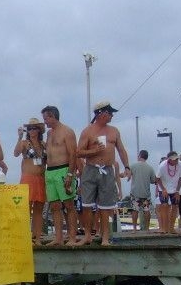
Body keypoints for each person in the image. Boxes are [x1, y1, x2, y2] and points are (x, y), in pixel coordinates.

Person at [74, 101, 131, 246]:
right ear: (101, 113)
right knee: (87, 205)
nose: (112, 115)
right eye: (110, 113)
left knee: (106, 207)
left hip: (107, 170)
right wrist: (94, 151)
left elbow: (121, 150)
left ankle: (105, 237)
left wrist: (127, 167)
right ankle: (87, 235)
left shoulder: (114, 131)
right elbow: (79, 152)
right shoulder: (88, 131)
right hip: (91, 169)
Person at [41, 105, 79, 246]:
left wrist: (70, 174)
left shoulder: (67, 132)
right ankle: (58, 237)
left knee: (69, 205)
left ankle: (73, 237)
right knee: (55, 206)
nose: (45, 121)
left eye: (46, 118)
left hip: (63, 170)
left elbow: (73, 154)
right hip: (50, 171)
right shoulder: (49, 134)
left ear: (52, 116)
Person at [13, 117, 47, 245]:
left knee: (39, 209)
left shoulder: (44, 144)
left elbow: (47, 160)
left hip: (41, 179)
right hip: (27, 178)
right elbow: (15, 153)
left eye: (35, 128)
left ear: (39, 130)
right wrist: (19, 137)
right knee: (26, 209)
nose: (32, 130)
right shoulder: (24, 143)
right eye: (30, 128)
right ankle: (25, 237)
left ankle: (37, 238)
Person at [128, 150, 157, 231]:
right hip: (146, 193)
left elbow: (127, 175)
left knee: (135, 210)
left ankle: (134, 229)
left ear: (140, 156)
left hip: (135, 193)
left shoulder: (133, 166)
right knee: (146, 210)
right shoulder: (150, 168)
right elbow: (153, 180)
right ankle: (147, 229)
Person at [156, 151, 181, 234]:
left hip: (175, 189)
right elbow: (157, 178)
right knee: (165, 206)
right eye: (174, 159)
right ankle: (164, 228)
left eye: (177, 159)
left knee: (175, 207)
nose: (176, 161)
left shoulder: (180, 165)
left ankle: (171, 227)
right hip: (164, 188)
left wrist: (177, 191)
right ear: (169, 159)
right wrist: (163, 189)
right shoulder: (162, 166)